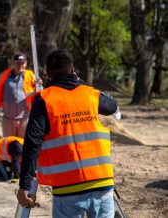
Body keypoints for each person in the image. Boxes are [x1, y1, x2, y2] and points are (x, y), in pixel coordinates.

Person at [16, 50, 118, 217]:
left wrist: (25, 185)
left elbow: (32, 143)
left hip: (68, 189)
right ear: (73, 70)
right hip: (102, 182)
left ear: (47, 74)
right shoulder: (90, 94)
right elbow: (112, 106)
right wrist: (79, 81)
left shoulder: (44, 100)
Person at [0, 53, 36, 138]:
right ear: (13, 63)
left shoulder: (32, 76)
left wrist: (40, 84)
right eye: (18, 63)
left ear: (26, 63)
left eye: (23, 63)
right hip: (8, 119)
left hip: (25, 119)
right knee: (9, 146)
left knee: (24, 146)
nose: (20, 65)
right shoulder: (4, 75)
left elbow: (40, 93)